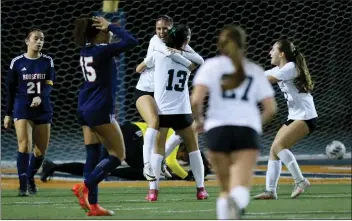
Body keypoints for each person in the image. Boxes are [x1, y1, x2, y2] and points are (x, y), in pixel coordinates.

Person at [191, 25, 277, 219]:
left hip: (217, 130)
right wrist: (256, 125)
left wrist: (199, 120)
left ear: (219, 44)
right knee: (240, 187)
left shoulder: (210, 66)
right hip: (246, 130)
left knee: (225, 188)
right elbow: (271, 109)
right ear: (243, 45)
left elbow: (196, 100)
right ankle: (237, 202)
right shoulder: (254, 69)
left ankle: (230, 205)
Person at [72, 16, 138, 216]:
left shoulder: (86, 50)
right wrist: (113, 27)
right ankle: (85, 186)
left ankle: (93, 206)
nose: (109, 33)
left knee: (93, 155)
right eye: (106, 30)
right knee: (118, 155)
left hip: (84, 107)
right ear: (99, 33)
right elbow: (132, 41)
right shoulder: (103, 50)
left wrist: (108, 28)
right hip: (99, 110)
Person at [136, 24, 208, 202]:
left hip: (163, 111)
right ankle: (201, 189)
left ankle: (153, 191)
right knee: (194, 149)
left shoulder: (159, 53)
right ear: (185, 42)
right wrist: (181, 54)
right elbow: (196, 63)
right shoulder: (189, 61)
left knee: (157, 151)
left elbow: (140, 68)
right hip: (183, 112)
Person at [253, 39, 318, 200]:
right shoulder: (280, 68)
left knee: (279, 145)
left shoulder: (290, 68)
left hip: (306, 116)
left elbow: (268, 79)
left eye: (273, 49)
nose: (270, 53)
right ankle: (270, 191)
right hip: (295, 116)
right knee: (274, 150)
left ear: (282, 53)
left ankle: (300, 181)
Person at [40, 122, 211, 182]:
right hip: (133, 136)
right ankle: (113, 172)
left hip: (128, 132)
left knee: (95, 168)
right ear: (185, 150)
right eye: (186, 158)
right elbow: (172, 162)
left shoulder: (176, 134)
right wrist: (186, 176)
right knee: (146, 172)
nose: (183, 159)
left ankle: (53, 166)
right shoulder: (176, 137)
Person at [3, 28, 56, 197]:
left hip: (43, 108)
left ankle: (31, 176)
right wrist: (7, 113)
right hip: (22, 107)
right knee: (24, 145)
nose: (39, 42)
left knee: (41, 150)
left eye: (42, 39)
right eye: (35, 38)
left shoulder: (48, 61)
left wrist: (40, 97)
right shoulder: (17, 62)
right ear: (27, 41)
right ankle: (23, 185)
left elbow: (49, 84)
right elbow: (10, 90)